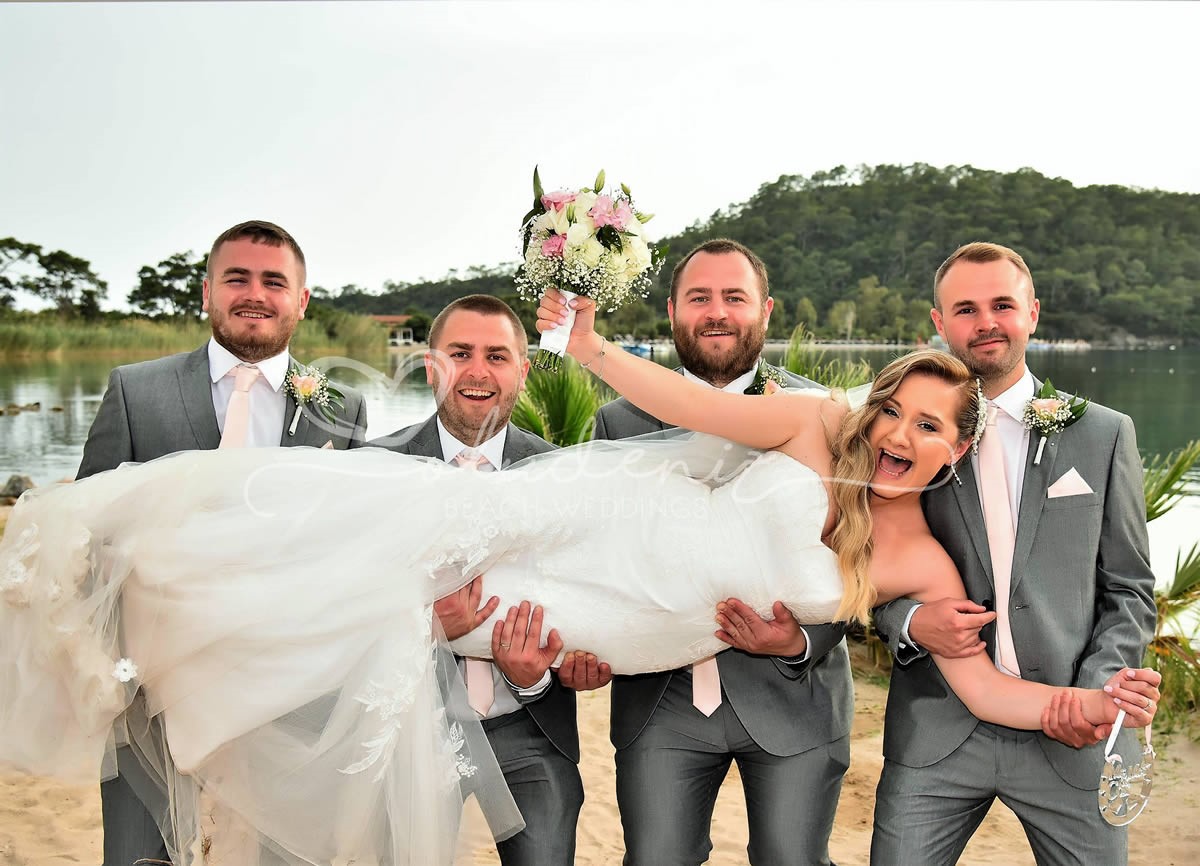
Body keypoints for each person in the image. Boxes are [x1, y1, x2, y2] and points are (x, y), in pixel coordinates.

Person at [0, 292, 1159, 864]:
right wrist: (594, 348)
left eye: (932, 427)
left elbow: (982, 681)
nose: (902, 435)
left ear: (958, 447)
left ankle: (190, 650)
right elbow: (685, 402)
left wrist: (1074, 703)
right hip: (600, 523)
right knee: (384, 530)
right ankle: (149, 585)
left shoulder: (918, 556)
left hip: (623, 620)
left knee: (423, 618)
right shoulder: (811, 422)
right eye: (897, 409)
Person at [75, 219, 368, 866]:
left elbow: (351, 548)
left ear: (301, 300)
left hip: (289, 695)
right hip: (151, 696)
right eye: (237, 278)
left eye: (274, 282)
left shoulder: (341, 408)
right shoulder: (135, 390)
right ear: (207, 291)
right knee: (138, 856)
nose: (255, 294)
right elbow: (88, 532)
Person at [869, 243, 1158, 866]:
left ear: (1032, 312)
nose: (986, 323)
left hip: (1071, 732)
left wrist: (1093, 695)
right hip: (938, 732)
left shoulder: (1105, 433)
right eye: (965, 309)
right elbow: (872, 563)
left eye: (1002, 305)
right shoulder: (904, 436)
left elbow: (1130, 588)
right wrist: (912, 623)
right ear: (939, 322)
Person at [583, 239, 854, 866]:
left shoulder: (825, 414)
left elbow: (860, 556)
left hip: (795, 693)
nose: (717, 312)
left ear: (765, 310)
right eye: (699, 297)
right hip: (661, 700)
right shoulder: (618, 423)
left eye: (735, 297)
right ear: (673, 310)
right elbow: (603, 561)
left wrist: (800, 641)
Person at [370, 294, 584, 866]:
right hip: (409, 730)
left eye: (497, 356)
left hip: (530, 726)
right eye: (460, 353)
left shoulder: (564, 477)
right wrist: (424, 624)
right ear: (430, 366)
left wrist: (543, 677)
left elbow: (584, 608)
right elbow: (344, 611)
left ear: (523, 370)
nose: (478, 372)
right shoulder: (375, 468)